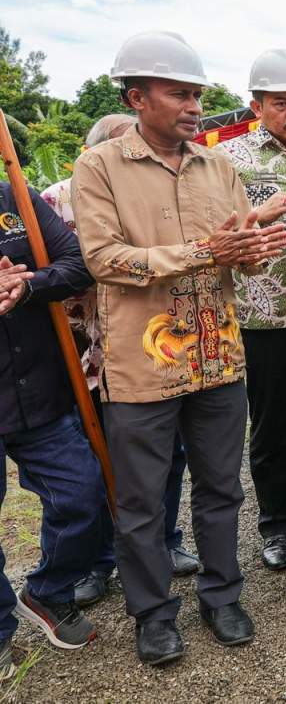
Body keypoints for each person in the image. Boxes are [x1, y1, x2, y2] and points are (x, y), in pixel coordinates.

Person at [71, 31, 286, 665]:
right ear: (137, 98)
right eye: (179, 94)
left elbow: (238, 257)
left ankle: (222, 596)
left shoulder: (217, 165)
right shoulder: (100, 166)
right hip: (143, 363)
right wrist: (206, 251)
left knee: (222, 487)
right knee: (141, 499)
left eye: (197, 94)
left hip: (219, 355)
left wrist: (251, 253)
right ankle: (152, 613)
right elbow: (105, 259)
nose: (194, 107)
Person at [42, 114, 199, 608]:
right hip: (80, 350)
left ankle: (166, 540)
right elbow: (62, 267)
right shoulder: (53, 199)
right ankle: (98, 560)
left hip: (150, 343)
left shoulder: (165, 187)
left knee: (166, 455)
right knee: (95, 459)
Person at [216, 49, 286, 572]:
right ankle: (276, 527)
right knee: (271, 429)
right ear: (256, 105)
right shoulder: (229, 161)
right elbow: (211, 236)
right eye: (280, 102)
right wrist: (255, 219)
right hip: (266, 319)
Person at [0, 180, 102, 669]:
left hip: (38, 388)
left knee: (82, 492)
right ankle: (0, 628)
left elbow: (78, 264)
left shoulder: (14, 196)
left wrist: (27, 285)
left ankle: (48, 590)